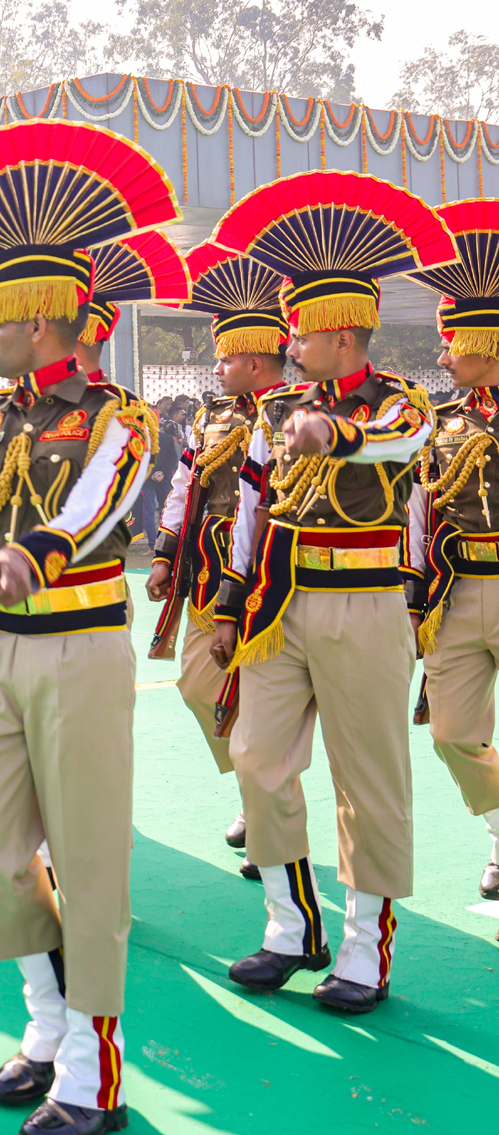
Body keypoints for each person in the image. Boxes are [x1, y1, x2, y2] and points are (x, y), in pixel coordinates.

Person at [0, 120, 166, 1134]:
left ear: (40, 316)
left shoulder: (117, 414)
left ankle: (93, 1069)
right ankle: (47, 1020)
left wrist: (40, 549)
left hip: (78, 647)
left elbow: (105, 498)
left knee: (87, 856)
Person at [205, 173, 441, 1019]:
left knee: (367, 779)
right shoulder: (275, 408)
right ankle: (290, 924)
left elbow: (400, 441)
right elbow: (251, 504)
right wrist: (229, 600)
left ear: (341, 334)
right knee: (256, 758)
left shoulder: (400, 401)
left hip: (364, 600)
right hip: (279, 605)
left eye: (301, 329)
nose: (290, 341)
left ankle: (363, 949)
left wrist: (335, 431)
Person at [147, 245, 291, 853]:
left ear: (255, 360)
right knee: (197, 685)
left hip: (276, 572)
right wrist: (163, 553)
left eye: (226, 356)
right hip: (210, 570)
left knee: (265, 699)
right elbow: (184, 487)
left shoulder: (293, 413)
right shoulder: (210, 417)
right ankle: (255, 791)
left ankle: (268, 812)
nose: (217, 366)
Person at [408, 206, 499, 899]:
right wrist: (414, 596)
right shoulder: (439, 424)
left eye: (450, 345)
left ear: (482, 341)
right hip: (457, 590)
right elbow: (419, 513)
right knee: (450, 733)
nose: (442, 359)